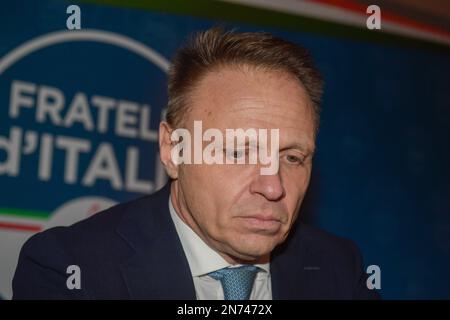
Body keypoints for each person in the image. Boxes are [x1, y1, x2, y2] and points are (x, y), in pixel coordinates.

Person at [13, 27, 379, 300]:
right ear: (173, 151)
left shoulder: (339, 271)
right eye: (238, 152)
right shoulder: (69, 269)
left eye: (293, 157)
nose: (273, 187)